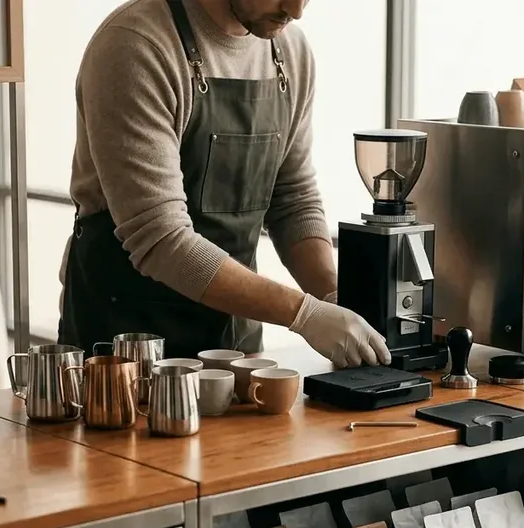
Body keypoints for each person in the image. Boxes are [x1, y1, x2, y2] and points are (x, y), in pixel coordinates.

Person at [58, 0, 390, 368]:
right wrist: (303, 314)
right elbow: (160, 238)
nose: (296, 10)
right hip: (128, 350)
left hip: (236, 345)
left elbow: (292, 199)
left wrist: (330, 295)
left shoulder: (290, 51)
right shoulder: (137, 45)